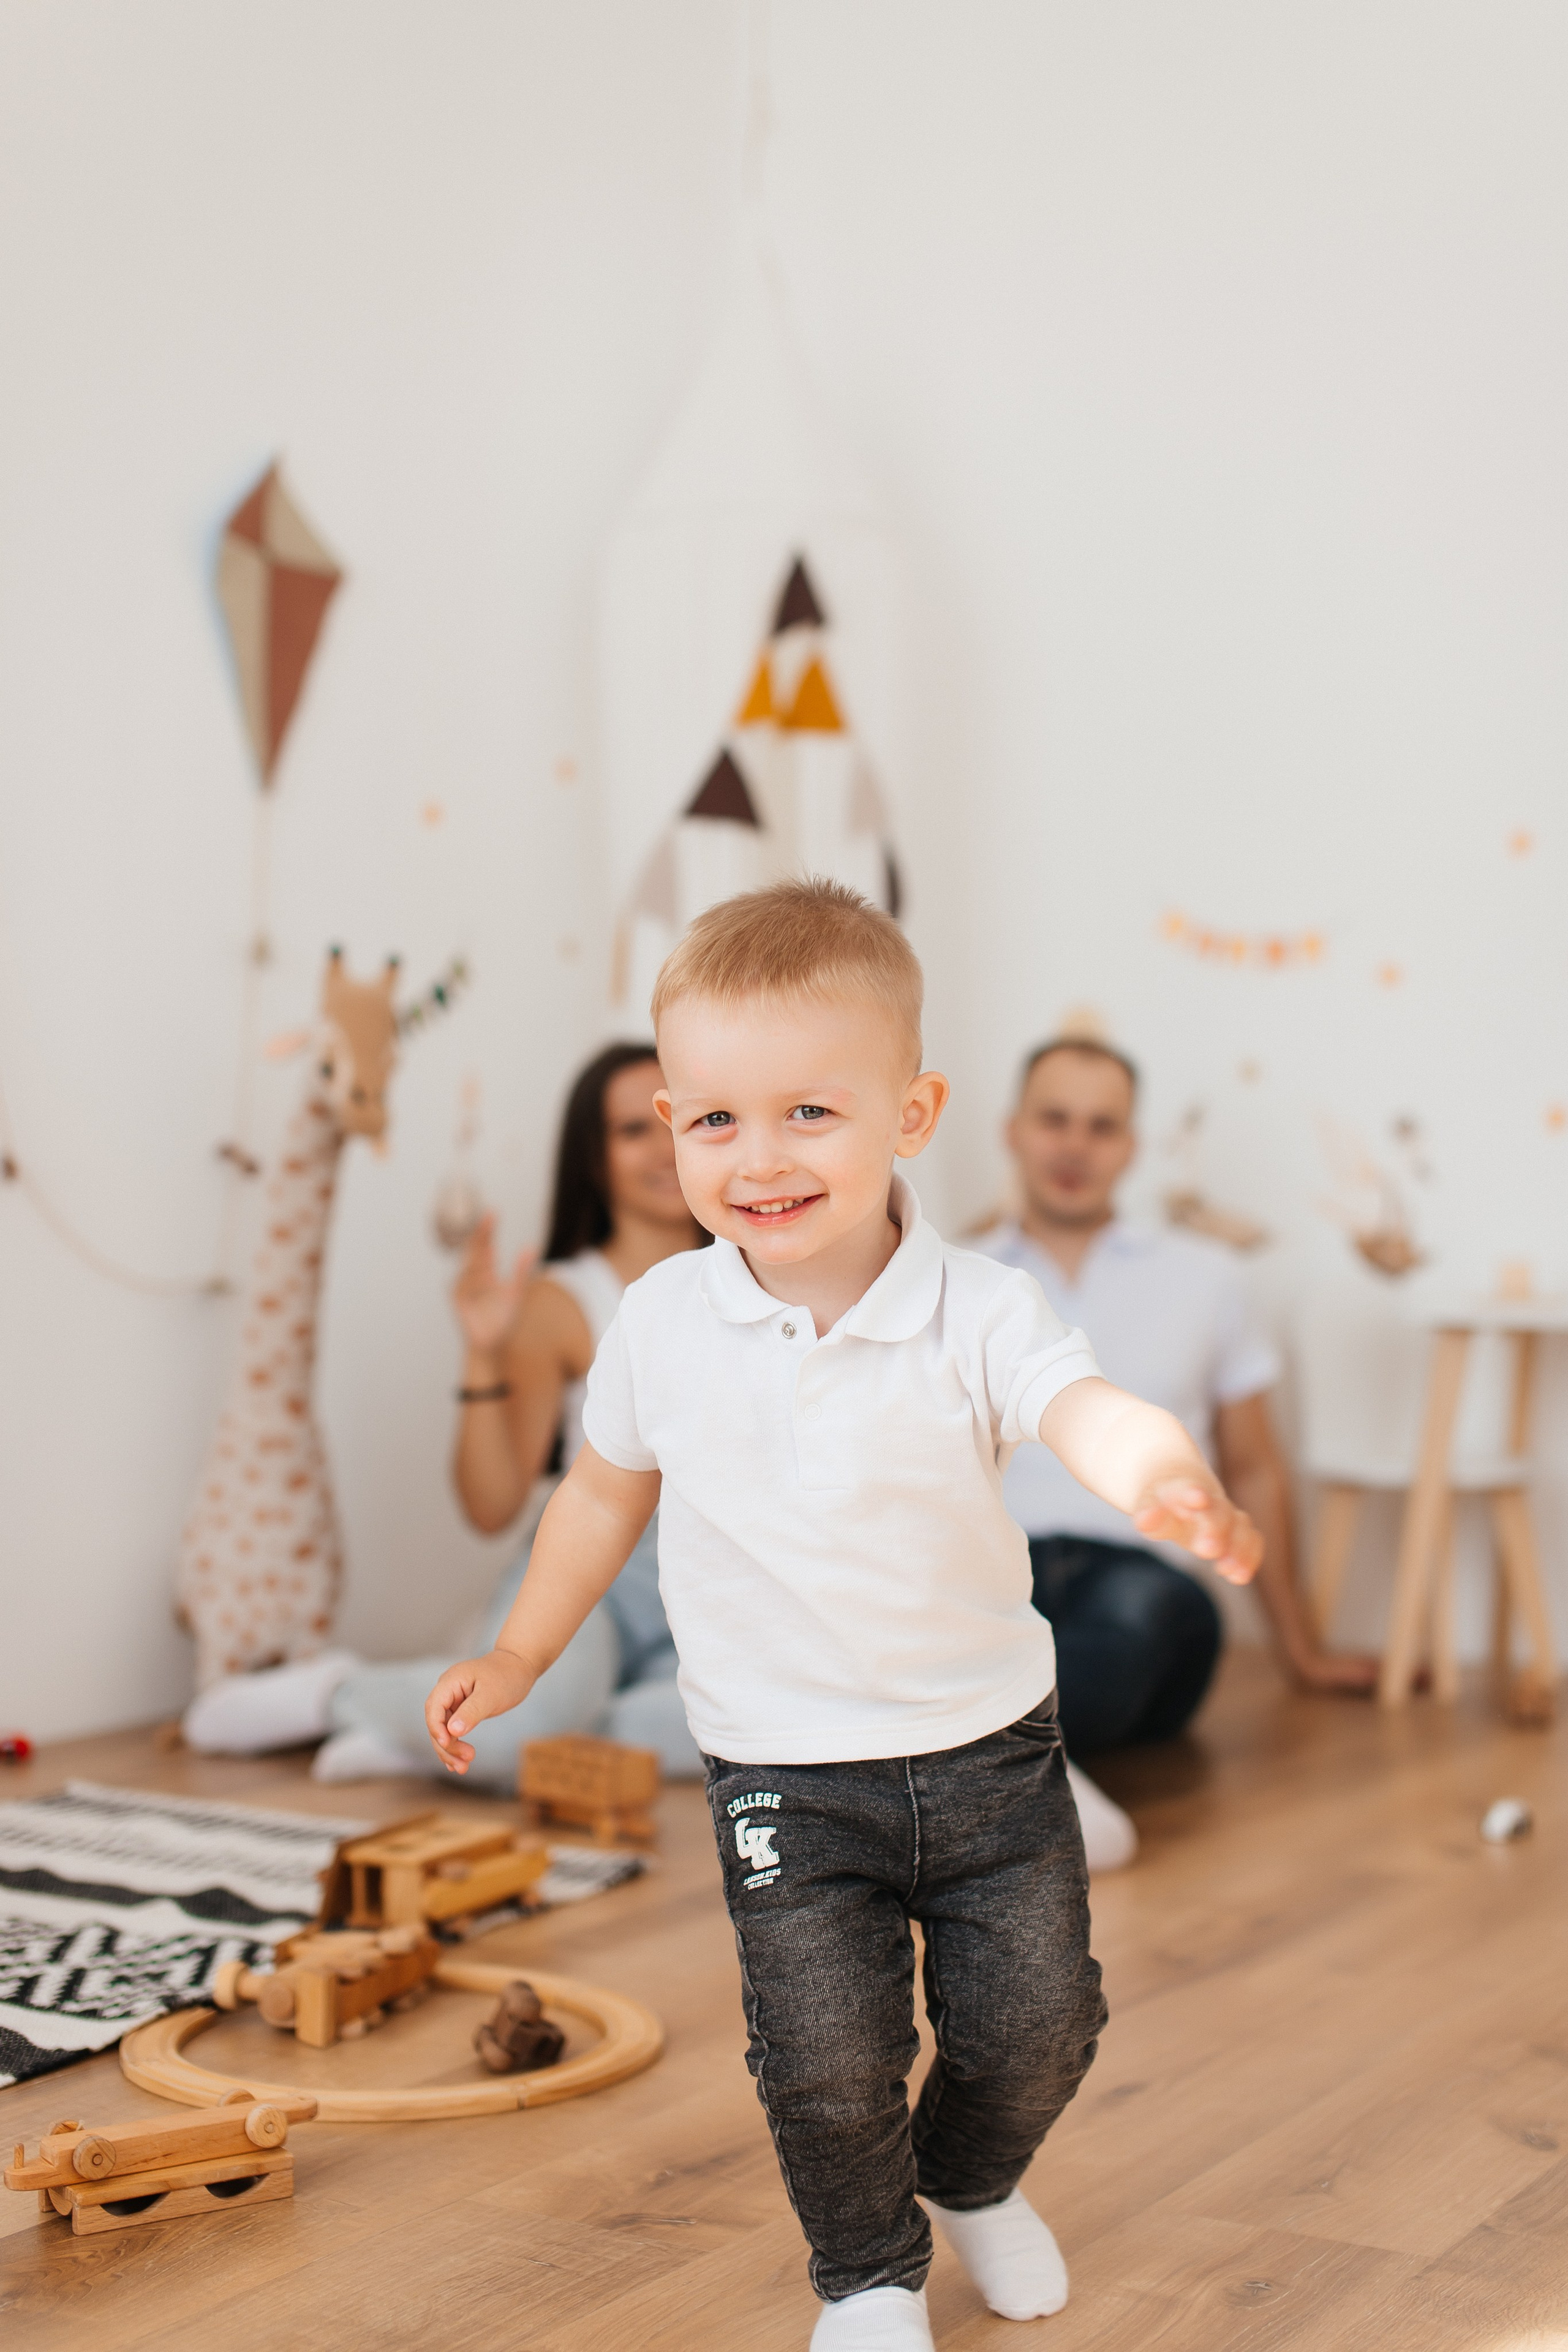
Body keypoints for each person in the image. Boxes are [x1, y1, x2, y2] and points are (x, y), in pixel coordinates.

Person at [426, 880, 1261, 2352]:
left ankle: (968, 2175)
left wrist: (1159, 1473)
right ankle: (868, 2273)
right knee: (822, 2058)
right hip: (783, 1772)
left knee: (1040, 2022)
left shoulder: (977, 1307)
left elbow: (1081, 1406)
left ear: (910, 1114)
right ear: (673, 1125)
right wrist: (516, 1651)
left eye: (808, 1112)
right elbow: (596, 1497)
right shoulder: (660, 1322)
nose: (758, 1158)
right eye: (714, 1120)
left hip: (988, 1753)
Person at [184, 1042, 705, 1784]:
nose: (665, 1146)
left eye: (683, 1118)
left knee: (768, 1731)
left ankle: (433, 1731)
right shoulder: (565, 1302)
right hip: (600, 1589)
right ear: (593, 1158)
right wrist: (484, 1354)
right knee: (526, 1728)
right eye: (632, 1130)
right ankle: (342, 1695)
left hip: (710, 1594)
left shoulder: (762, 1287)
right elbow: (491, 1507)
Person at [976, 1035, 1377, 1771]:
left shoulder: (1207, 1278)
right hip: (992, 1570)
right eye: (1054, 1119)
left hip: (1139, 1575)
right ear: (1014, 1131)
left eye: (1101, 1126)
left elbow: (1253, 1470)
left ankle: (966, 1762)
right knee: (958, 1640)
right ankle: (1022, 1773)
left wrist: (1301, 1652)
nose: (1075, 1146)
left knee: (1134, 1633)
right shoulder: (951, 1280)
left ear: (1131, 1146)